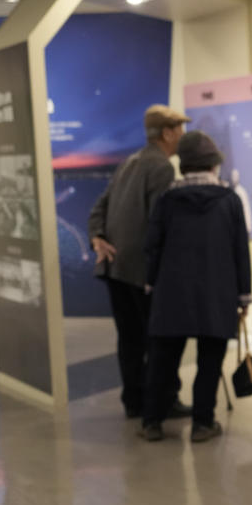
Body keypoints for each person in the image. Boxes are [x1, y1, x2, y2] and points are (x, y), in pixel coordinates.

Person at [139, 131, 252, 443]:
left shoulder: (166, 200)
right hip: (218, 292)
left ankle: (152, 422)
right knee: (210, 360)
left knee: (163, 360)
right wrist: (244, 295)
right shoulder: (229, 201)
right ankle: (203, 423)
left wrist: (151, 284)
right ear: (214, 164)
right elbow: (239, 250)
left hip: (171, 291)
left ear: (183, 165)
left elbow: (153, 247)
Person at [88, 104, 192, 420]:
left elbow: (98, 210)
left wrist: (97, 237)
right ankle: (163, 401)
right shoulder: (161, 168)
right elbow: (159, 224)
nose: (183, 135)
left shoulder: (129, 163)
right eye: (180, 129)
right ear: (168, 133)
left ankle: (134, 402)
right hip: (143, 272)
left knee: (130, 340)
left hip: (116, 268)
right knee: (161, 339)